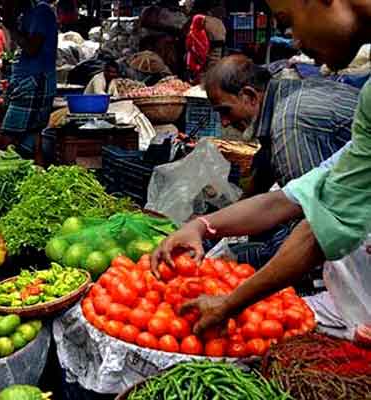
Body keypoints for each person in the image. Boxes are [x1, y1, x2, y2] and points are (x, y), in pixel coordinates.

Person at [151, 0, 371, 337]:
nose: (295, 41)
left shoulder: (292, 121)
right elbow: (295, 197)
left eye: (287, 21)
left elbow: (319, 224)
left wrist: (229, 302)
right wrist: (202, 225)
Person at [202, 55, 357, 269]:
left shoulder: (290, 124)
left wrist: (246, 258)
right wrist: (209, 228)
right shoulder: (282, 95)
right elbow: (262, 175)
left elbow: (312, 219)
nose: (224, 122)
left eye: (225, 110)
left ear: (249, 96)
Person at [0, 0, 58, 158]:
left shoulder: (40, 12)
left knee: (5, 140)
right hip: (24, 79)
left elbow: (31, 48)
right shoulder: (27, 15)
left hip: (34, 80)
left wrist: (10, 25)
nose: (3, 8)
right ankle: (38, 165)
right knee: (32, 134)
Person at [186, 14, 210, 83]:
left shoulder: (203, 32)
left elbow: (206, 45)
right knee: (193, 77)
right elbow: (188, 46)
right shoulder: (191, 33)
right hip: (193, 59)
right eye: (202, 21)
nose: (203, 23)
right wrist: (197, 54)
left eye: (203, 22)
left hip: (203, 59)